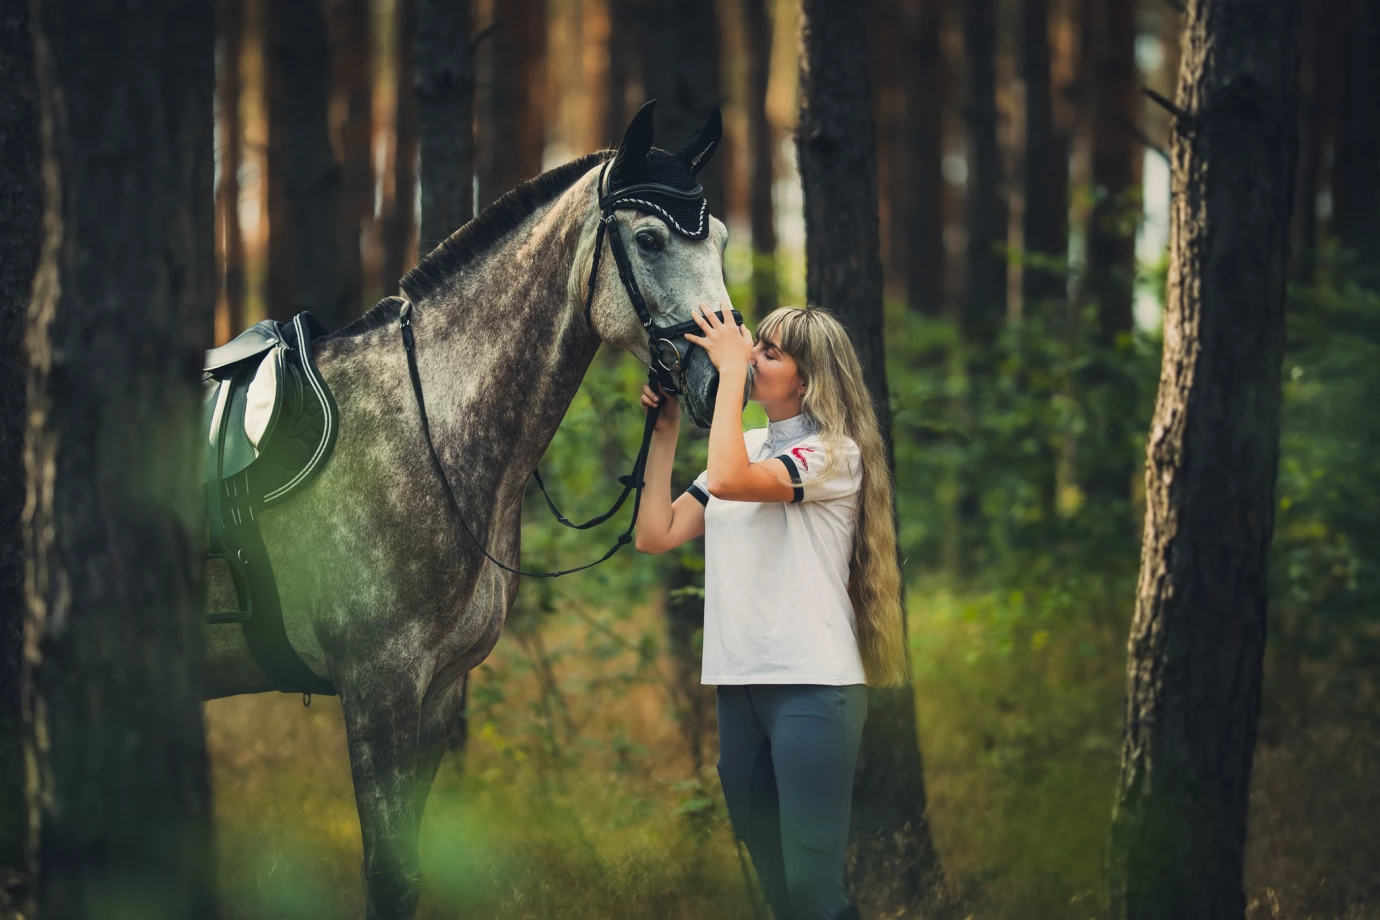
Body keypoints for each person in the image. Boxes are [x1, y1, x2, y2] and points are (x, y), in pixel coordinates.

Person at [634, 304, 910, 920]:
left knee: (814, 893)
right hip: (738, 686)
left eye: (769, 352)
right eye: (753, 346)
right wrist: (666, 427)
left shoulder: (834, 455)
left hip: (813, 687)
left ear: (807, 381)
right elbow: (656, 532)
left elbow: (731, 481)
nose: (752, 356)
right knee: (781, 894)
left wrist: (729, 373)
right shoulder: (751, 444)